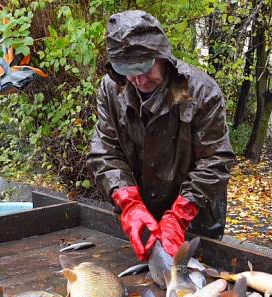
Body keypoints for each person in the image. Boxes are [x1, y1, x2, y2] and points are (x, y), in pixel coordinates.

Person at [87, 10, 234, 262]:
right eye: (128, 70)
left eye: (145, 67)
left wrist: (180, 214)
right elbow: (105, 150)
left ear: (162, 55)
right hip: (143, 216)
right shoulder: (111, 88)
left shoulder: (199, 90)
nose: (139, 79)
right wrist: (129, 202)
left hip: (195, 217)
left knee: (195, 284)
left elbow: (216, 159)